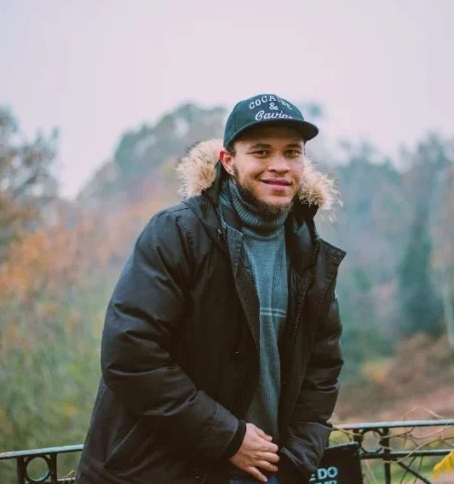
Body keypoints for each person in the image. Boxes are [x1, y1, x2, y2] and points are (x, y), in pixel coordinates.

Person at [75, 94, 346, 484]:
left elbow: (322, 370)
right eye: (261, 151)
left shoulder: (311, 256)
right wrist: (230, 438)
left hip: (266, 473)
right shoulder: (178, 233)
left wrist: (295, 461)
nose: (279, 166)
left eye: (292, 152)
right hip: (164, 471)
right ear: (228, 161)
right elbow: (131, 354)